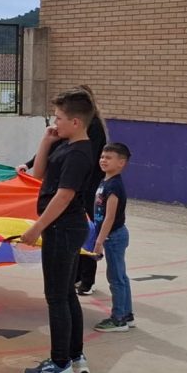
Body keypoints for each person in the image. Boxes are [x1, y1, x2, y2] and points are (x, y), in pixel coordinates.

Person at [19, 88, 95, 373]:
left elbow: (64, 196)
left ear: (76, 122)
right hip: (62, 227)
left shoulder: (79, 153)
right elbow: (38, 174)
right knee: (65, 294)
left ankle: (60, 363)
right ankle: (74, 355)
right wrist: (46, 140)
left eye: (59, 118)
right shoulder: (65, 145)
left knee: (56, 297)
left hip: (63, 228)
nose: (55, 122)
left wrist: (37, 227)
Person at [92, 143, 134, 332]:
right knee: (120, 277)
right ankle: (127, 315)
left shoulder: (115, 185)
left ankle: (118, 319)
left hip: (114, 236)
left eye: (109, 158)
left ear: (121, 163)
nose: (103, 160)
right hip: (110, 235)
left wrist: (99, 241)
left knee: (116, 278)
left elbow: (109, 217)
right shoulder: (106, 181)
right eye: (102, 156)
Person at [74, 85, 108, 296]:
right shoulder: (80, 124)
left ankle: (87, 279)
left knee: (87, 231)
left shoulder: (93, 126)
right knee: (78, 231)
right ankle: (78, 274)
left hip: (88, 188)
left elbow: (88, 159)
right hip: (80, 187)